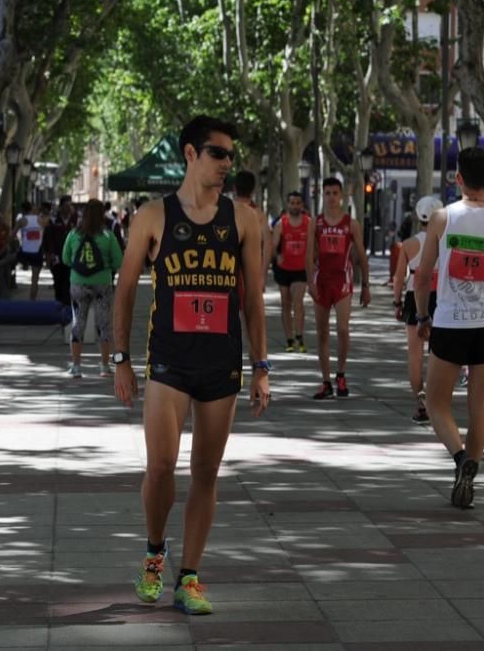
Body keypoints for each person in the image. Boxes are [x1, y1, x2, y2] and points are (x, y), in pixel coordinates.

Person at [113, 115, 270, 616]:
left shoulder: (243, 220)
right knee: (160, 469)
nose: (226, 163)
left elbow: (251, 301)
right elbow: (123, 292)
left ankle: (190, 577)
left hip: (221, 366)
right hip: (168, 364)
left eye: (230, 156)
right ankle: (155, 553)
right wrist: (121, 359)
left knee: (206, 472)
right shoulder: (152, 216)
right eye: (217, 153)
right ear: (190, 154)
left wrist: (262, 366)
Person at [414, 147, 484, 509]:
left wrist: (421, 317)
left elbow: (423, 275)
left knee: (435, 402)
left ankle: (461, 459)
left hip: (449, 322)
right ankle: (471, 469)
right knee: (479, 407)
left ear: (458, 178)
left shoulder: (442, 219)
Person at [305, 177, 371, 399]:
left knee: (343, 329)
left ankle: (341, 374)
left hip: (343, 281)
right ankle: (325, 381)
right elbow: (308, 255)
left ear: (342, 196)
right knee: (322, 333)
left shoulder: (351, 224)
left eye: (335, 193)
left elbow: (361, 255)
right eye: (327, 193)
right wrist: (310, 282)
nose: (331, 197)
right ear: (322, 196)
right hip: (321, 281)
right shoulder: (316, 222)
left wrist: (366, 286)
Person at [392, 196, 441, 423]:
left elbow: (399, 277)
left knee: (415, 354)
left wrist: (397, 302)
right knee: (438, 354)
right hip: (441, 300)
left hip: (414, 299)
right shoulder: (445, 242)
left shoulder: (409, 245)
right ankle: (435, 401)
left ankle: (420, 403)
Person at [62, 198, 124, 378]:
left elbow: (66, 259)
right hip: (102, 284)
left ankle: (76, 366)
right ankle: (104, 366)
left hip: (78, 283)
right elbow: (118, 261)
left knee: (78, 322)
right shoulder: (107, 236)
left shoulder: (74, 234)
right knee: (103, 324)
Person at [272, 191, 310, 353]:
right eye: (292, 203)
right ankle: (289, 339)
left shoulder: (309, 223)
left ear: (302, 205)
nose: (295, 206)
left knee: (298, 302)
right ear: (288, 205)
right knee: (286, 304)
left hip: (301, 270)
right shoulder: (282, 224)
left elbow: (314, 245)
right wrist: (277, 256)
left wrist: (313, 261)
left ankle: (300, 337)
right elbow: (273, 246)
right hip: (284, 269)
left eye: (297, 203)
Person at [43, 196, 76, 305]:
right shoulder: (53, 221)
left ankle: (66, 308)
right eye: (66, 206)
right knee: (58, 284)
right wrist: (49, 255)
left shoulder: (75, 221)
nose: (68, 208)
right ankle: (58, 305)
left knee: (68, 284)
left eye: (70, 205)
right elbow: (48, 239)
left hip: (71, 259)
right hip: (57, 258)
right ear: (61, 207)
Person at [16, 202, 49, 299]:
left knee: (10, 259)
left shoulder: (22, 220)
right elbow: (46, 230)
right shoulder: (41, 220)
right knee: (35, 279)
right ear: (32, 209)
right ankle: (32, 301)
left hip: (25, 251)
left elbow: (12, 235)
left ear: (23, 210)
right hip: (37, 252)